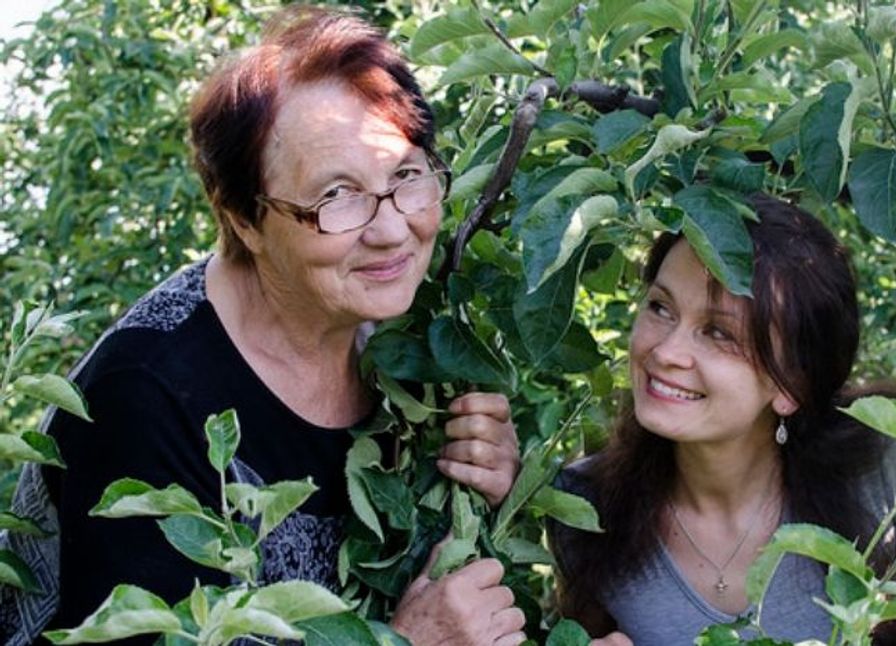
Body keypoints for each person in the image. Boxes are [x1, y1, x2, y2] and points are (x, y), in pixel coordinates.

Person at [0, 7, 525, 646]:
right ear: (245, 219)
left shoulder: (391, 332)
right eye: (336, 196)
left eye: (407, 176)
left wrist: (480, 480)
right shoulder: (143, 401)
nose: (391, 229)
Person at [551, 195, 896, 646]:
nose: (664, 352)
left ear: (791, 387)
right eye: (661, 308)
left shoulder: (879, 475)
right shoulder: (584, 508)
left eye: (719, 333)